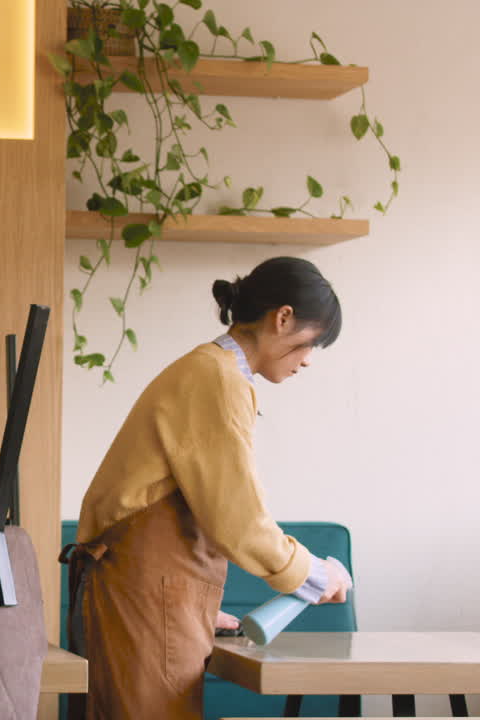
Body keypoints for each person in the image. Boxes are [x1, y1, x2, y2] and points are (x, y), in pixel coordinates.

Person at [61, 256, 354, 720]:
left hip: (144, 594)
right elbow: (238, 521)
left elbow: (183, 502)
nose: (309, 359)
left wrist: (189, 607)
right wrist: (316, 574)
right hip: (143, 597)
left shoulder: (210, 370)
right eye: (312, 342)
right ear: (283, 318)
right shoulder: (218, 379)